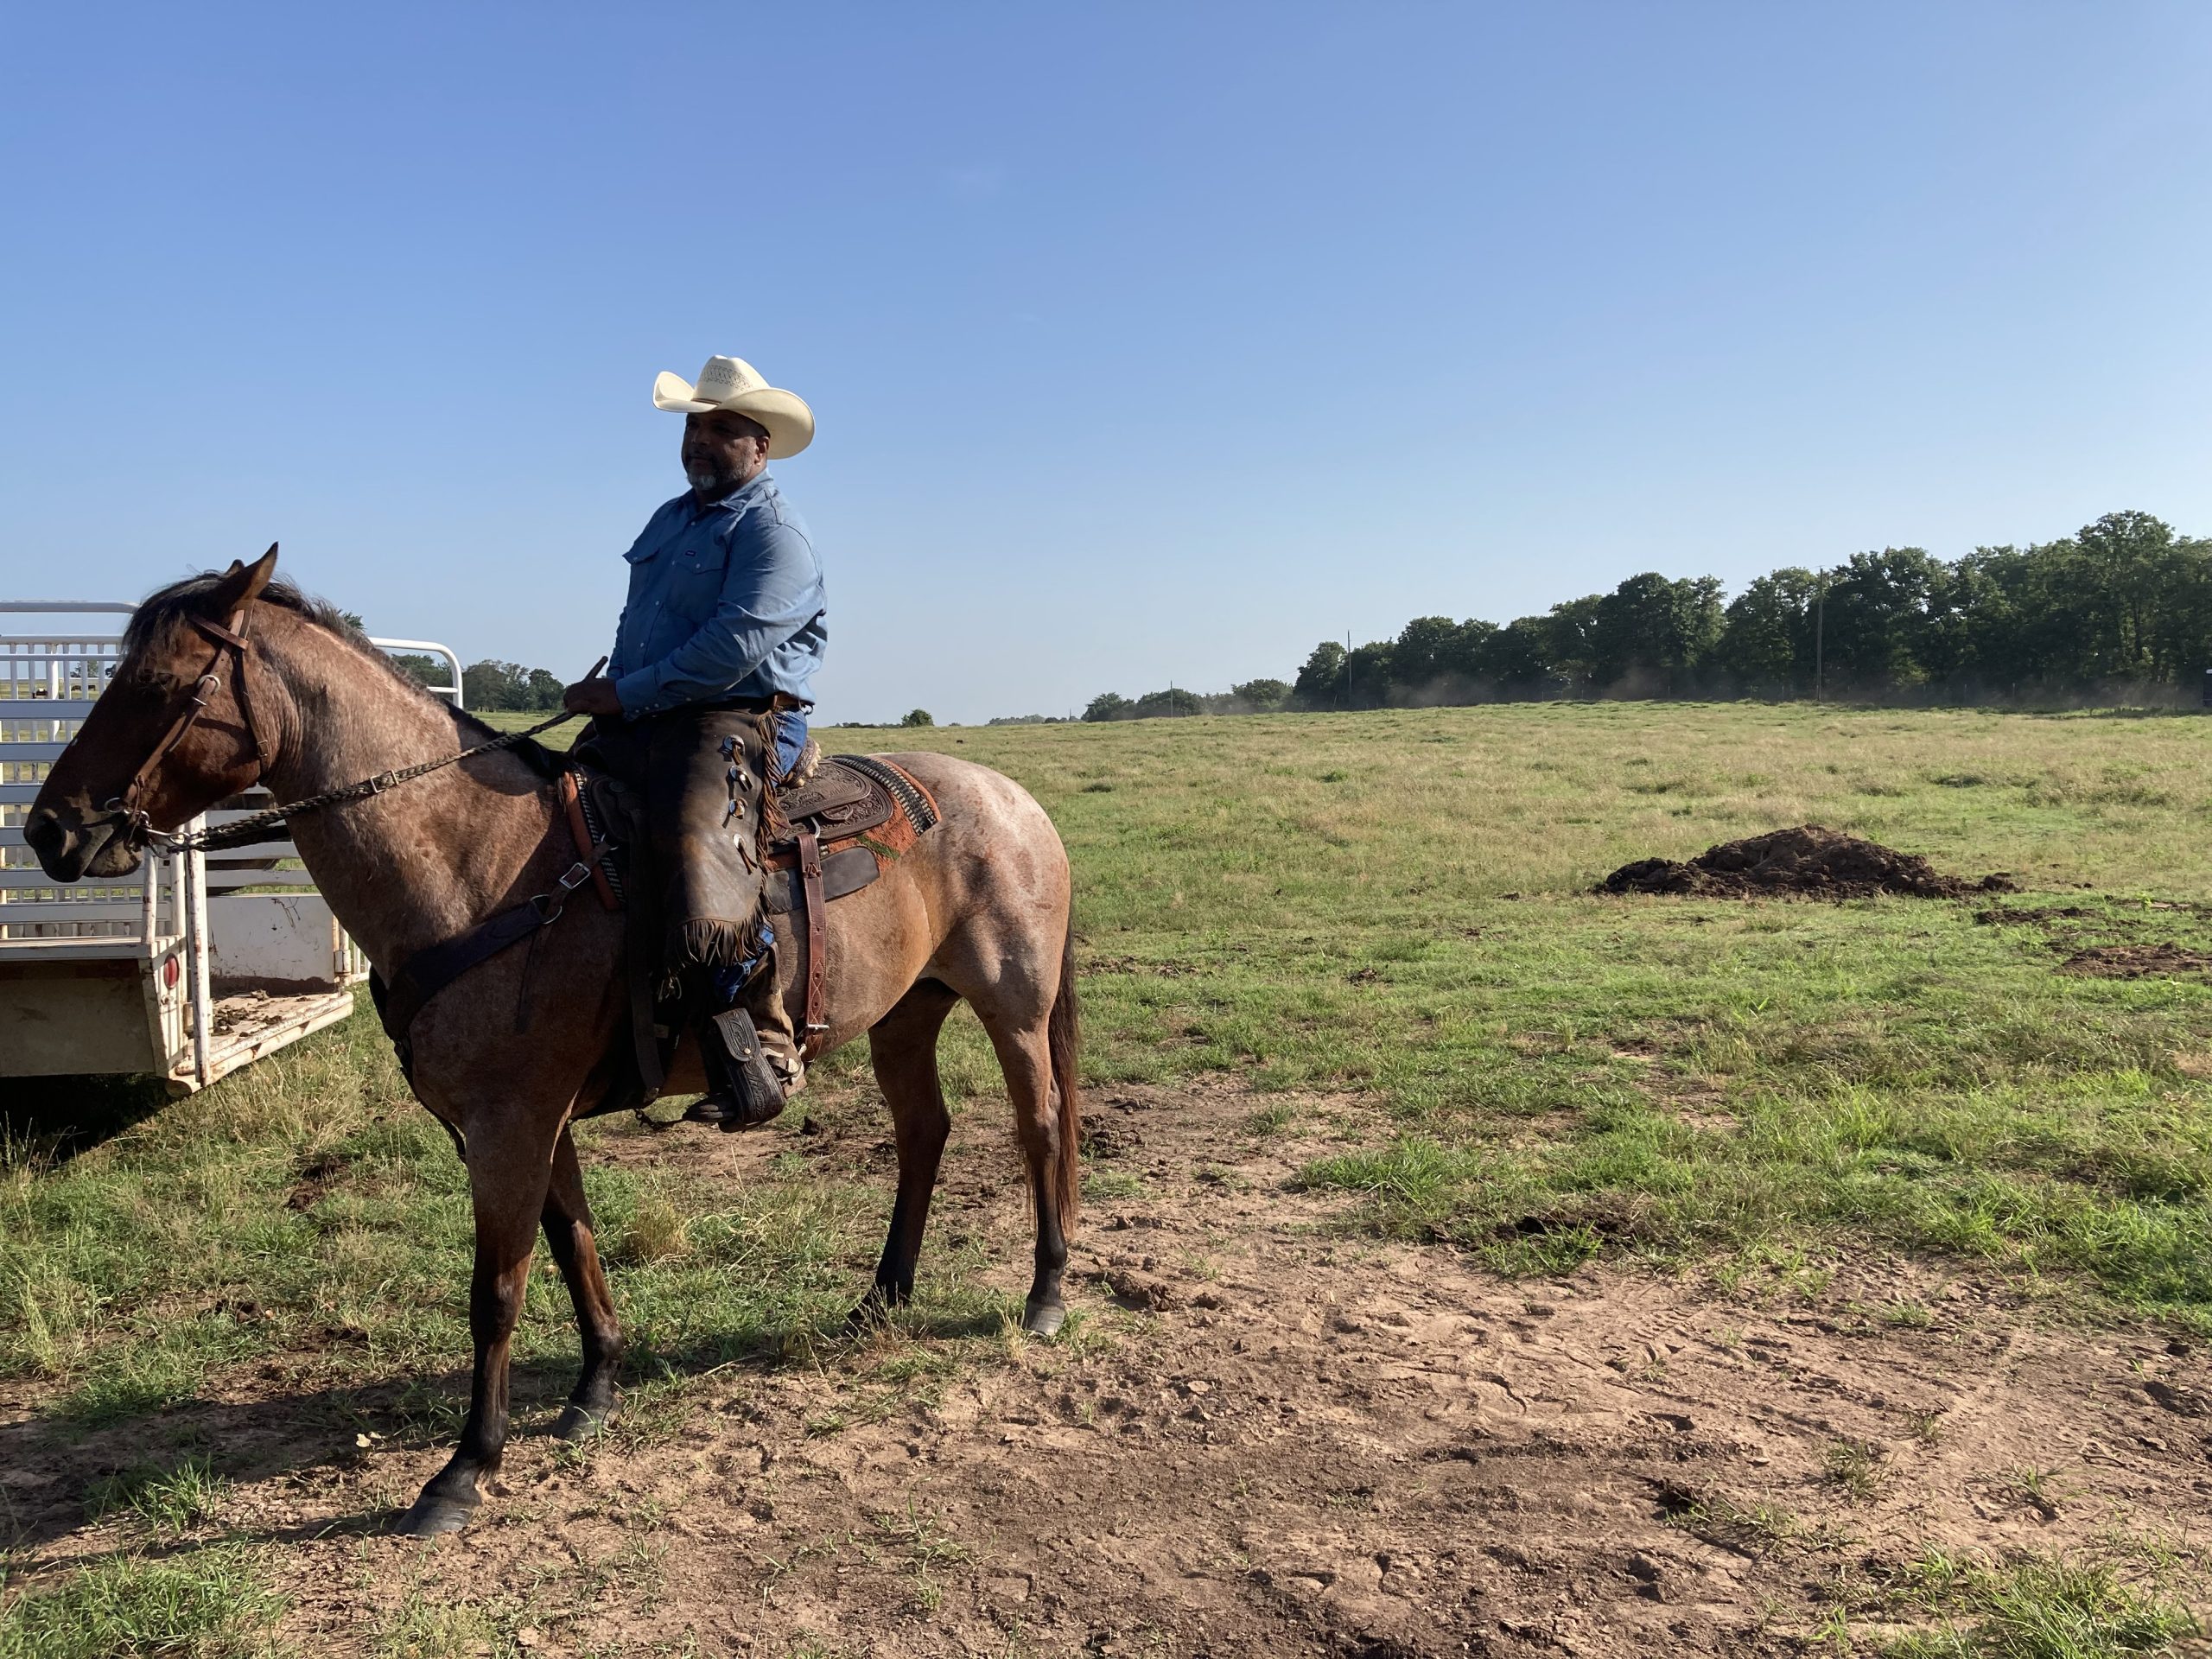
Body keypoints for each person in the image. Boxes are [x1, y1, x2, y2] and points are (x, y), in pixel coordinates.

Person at [563, 354, 825, 1127]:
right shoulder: (669, 520)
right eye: (693, 427)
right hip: (647, 712)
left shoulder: (777, 535)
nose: (700, 442)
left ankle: (760, 1047)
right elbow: (637, 622)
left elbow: (731, 647)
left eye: (721, 429)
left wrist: (625, 693)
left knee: (694, 841)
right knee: (551, 808)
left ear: (761, 446)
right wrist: (614, 702)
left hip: (740, 715)